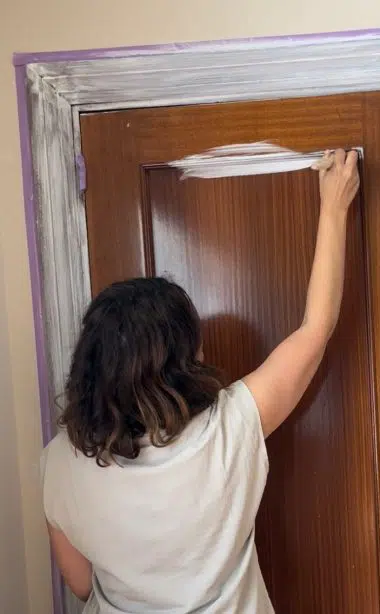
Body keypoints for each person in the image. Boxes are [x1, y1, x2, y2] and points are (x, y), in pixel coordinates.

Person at [41, 149, 360, 613]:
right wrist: (334, 207)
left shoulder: (58, 462)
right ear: (182, 360)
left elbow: (81, 585)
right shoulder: (228, 429)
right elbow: (315, 329)